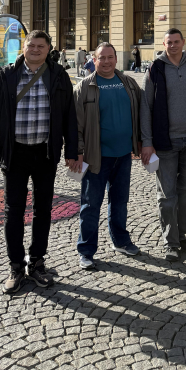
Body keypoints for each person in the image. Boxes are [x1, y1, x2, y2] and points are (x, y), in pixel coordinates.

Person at [0, 30, 79, 294]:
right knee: (13, 211)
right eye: (31, 45)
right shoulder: (6, 76)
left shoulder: (59, 76)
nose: (35, 49)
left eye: (41, 46)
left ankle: (36, 262)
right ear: (23, 48)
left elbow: (70, 116)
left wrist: (72, 151)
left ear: (49, 49)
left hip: (45, 153)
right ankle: (15, 265)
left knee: (43, 210)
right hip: (15, 154)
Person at [74, 43, 142, 270]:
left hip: (123, 154)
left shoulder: (128, 83)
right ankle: (86, 250)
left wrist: (142, 143)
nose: (106, 61)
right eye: (101, 58)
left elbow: (142, 111)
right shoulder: (85, 87)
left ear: (116, 59)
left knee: (120, 201)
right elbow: (77, 125)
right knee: (90, 205)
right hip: (96, 157)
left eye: (110, 57)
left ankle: (121, 241)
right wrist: (79, 152)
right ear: (93, 60)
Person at [140, 28, 186, 261]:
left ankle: (182, 235)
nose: (173, 45)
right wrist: (147, 142)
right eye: (169, 42)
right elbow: (146, 107)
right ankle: (171, 241)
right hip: (165, 143)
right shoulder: (155, 68)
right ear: (164, 44)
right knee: (167, 196)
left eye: (177, 42)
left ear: (183, 42)